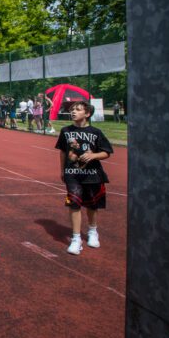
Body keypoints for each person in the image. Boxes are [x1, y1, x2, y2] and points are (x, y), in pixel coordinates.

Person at [55, 101, 113, 255]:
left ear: (87, 114)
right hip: (72, 174)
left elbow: (106, 152)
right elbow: (62, 151)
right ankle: (76, 238)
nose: (73, 112)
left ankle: (93, 231)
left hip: (92, 175)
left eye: (78, 110)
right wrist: (62, 170)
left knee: (92, 205)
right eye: (72, 110)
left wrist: (93, 155)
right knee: (74, 203)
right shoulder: (66, 131)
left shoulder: (96, 132)